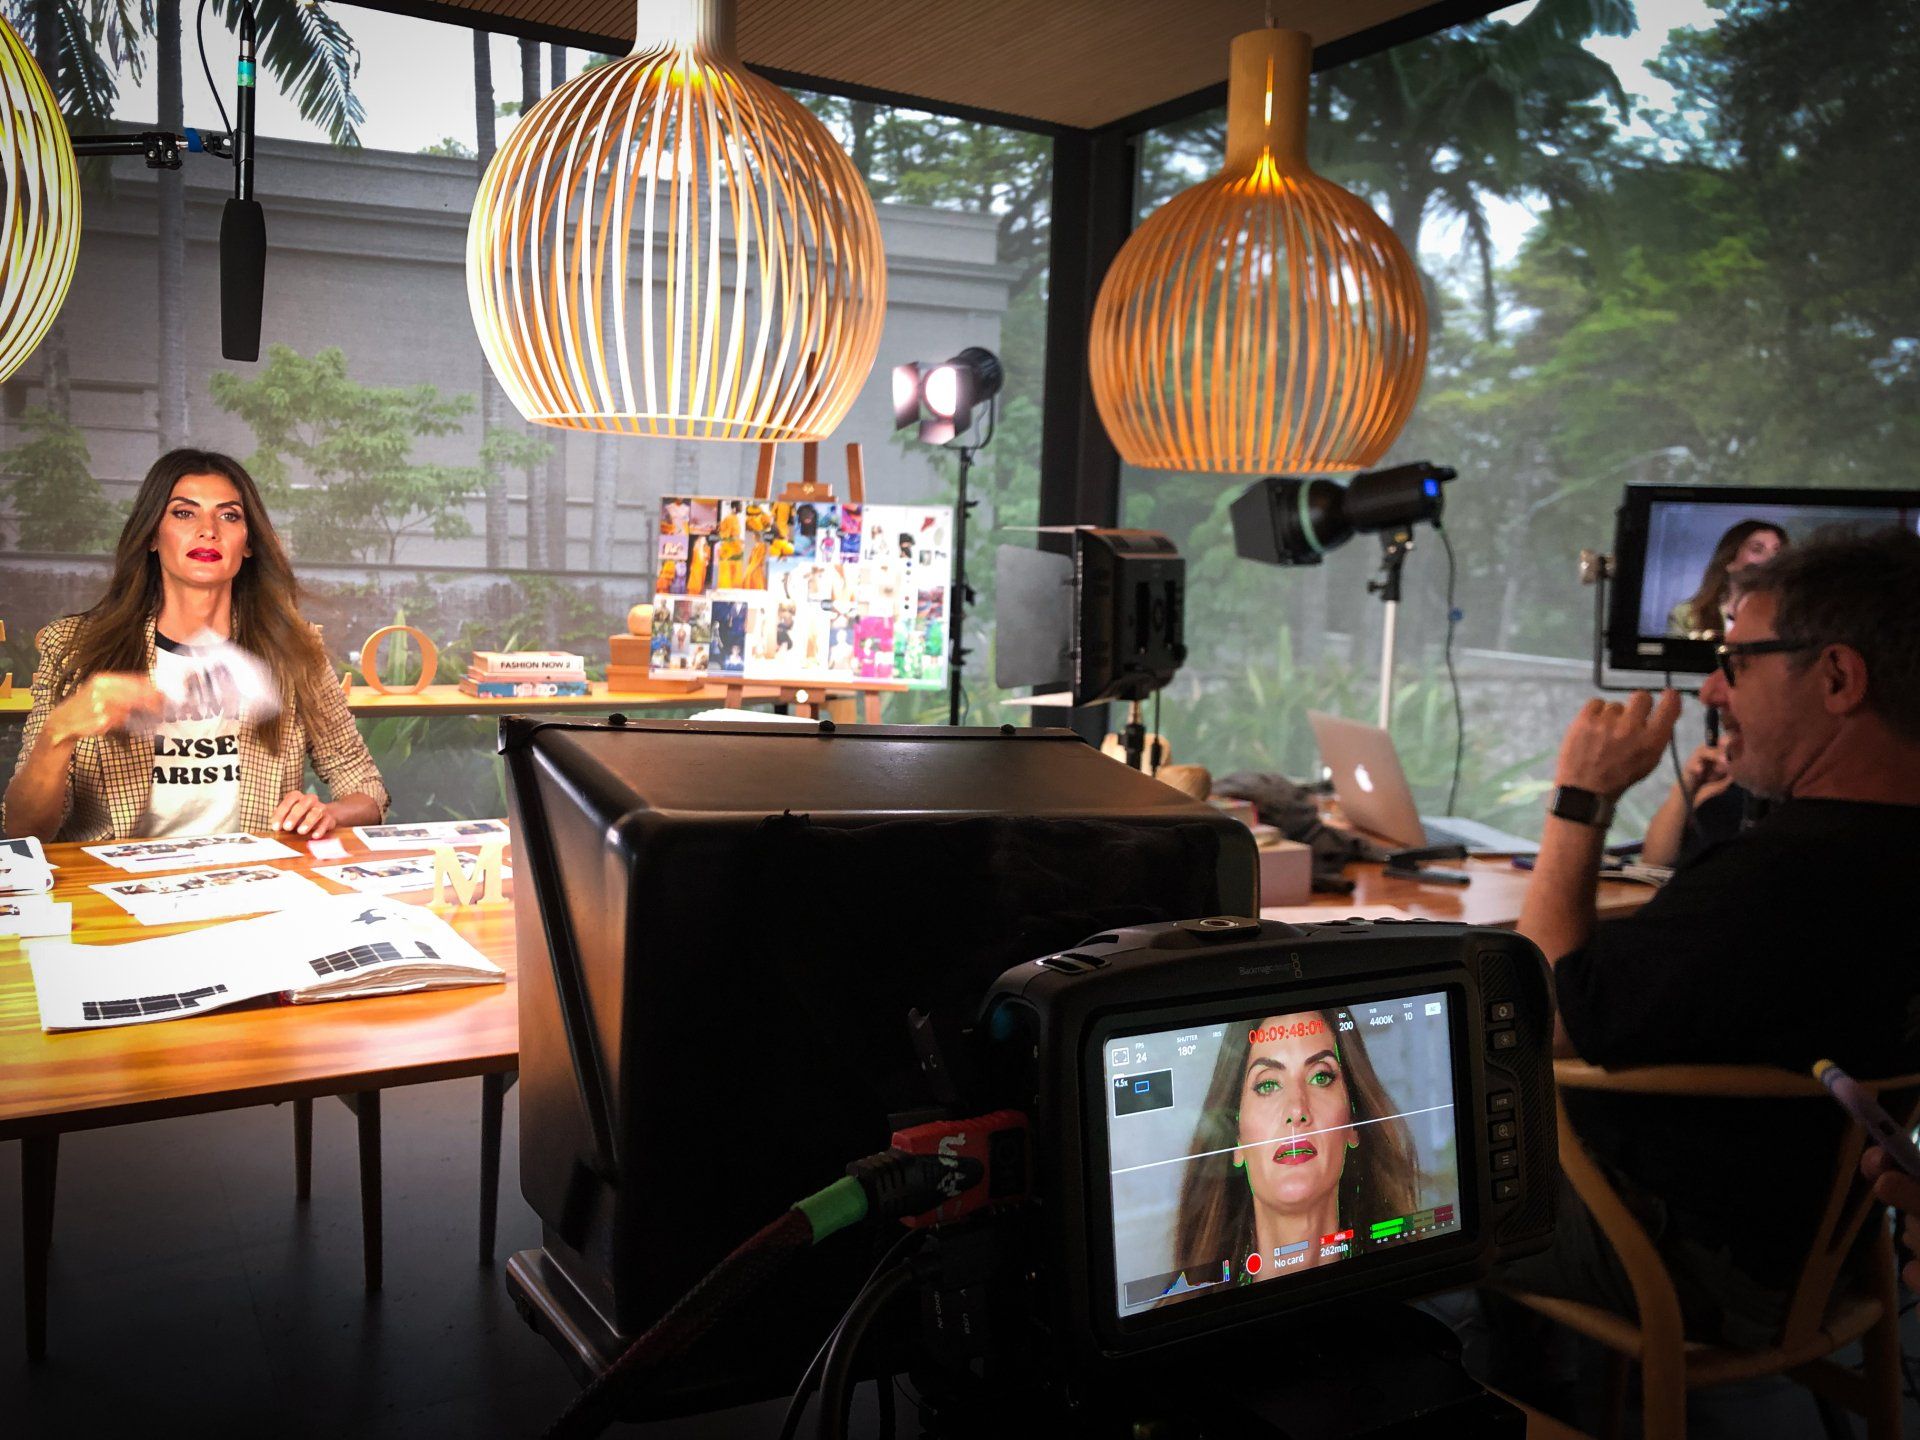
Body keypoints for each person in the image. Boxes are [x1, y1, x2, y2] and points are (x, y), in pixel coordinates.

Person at [1508, 527, 1920, 1346]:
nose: (1711, 692)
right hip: (1824, 1246)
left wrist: (1581, 797)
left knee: (1406, 1177)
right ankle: (1534, 1373)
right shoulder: (1874, 854)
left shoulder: (1781, 880)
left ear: (1837, 676)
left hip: (1691, 1264)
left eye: (1737, 663)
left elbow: (1533, 1018)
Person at [3, 450, 388, 844]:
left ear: (248, 543)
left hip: (254, 878)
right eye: (184, 513)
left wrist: (327, 812)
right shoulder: (74, 647)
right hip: (115, 887)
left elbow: (363, 783)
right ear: (153, 534)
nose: (209, 530)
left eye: (229, 515)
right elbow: (23, 831)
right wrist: (59, 732)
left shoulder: (292, 649)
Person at [1171, 1011, 1418, 1289]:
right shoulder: (1181, 1315)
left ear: (1353, 1123)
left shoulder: (1418, 1283)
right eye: (1267, 1084)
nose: (1297, 1110)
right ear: (1236, 1139)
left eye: (1320, 1077)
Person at [1665, 519, 1787, 639]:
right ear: (1729, 561)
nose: (1770, 559)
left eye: (1777, 552)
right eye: (1757, 549)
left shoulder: (1790, 617)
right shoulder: (1686, 615)